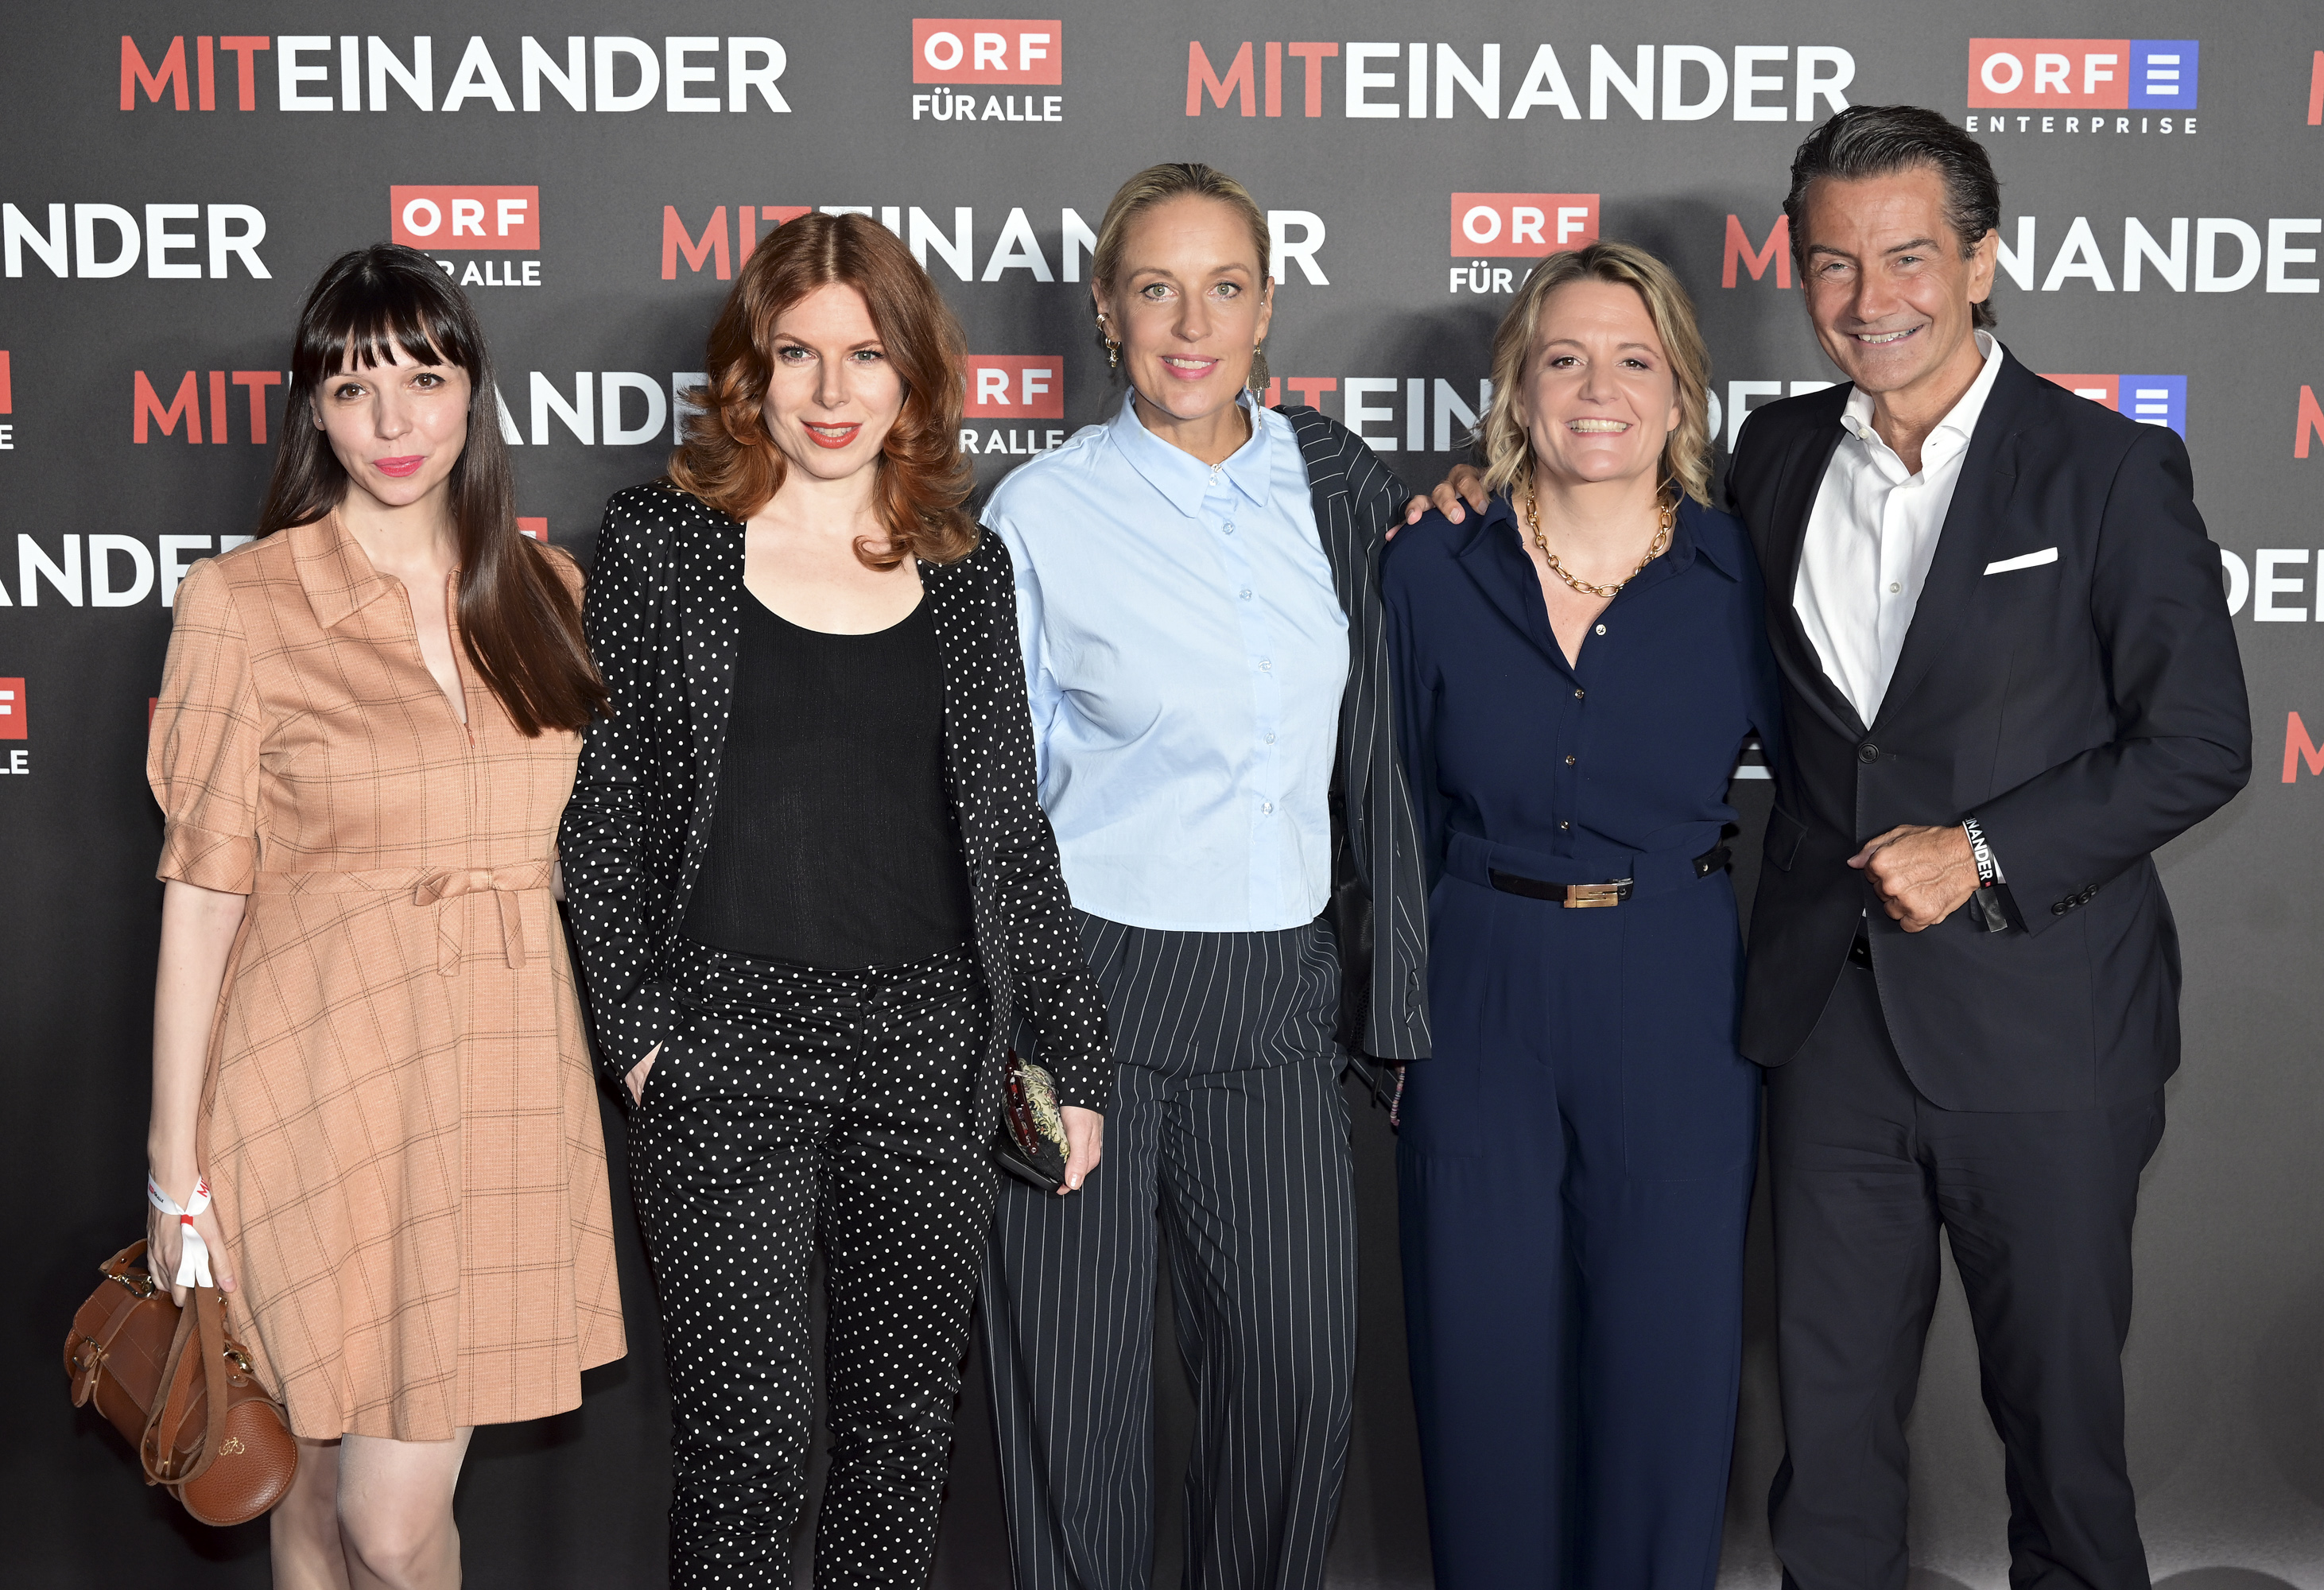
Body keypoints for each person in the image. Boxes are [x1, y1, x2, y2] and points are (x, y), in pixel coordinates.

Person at [1420, 107, 2252, 1590]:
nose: (1872, 299)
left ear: (1981, 263)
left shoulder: (2109, 469)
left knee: (2063, 1435)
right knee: (1834, 1439)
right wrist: (1478, 488)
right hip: (1826, 1032)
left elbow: (2199, 742)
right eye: (1833, 265)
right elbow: (1601, 517)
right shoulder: (1780, 457)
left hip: (2045, 1027)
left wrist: (1982, 849)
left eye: (1909, 257)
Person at [555, 211, 1111, 1590]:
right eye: (796, 354)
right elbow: (600, 811)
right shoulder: (663, 546)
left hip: (929, 1044)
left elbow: (1009, 834)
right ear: (751, 371)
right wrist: (638, 1034)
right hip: (722, 1048)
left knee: (898, 1440)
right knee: (744, 1448)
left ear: (912, 374)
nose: (830, 391)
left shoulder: (964, 569)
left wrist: (1070, 1057)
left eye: (865, 355)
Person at [976, 161, 1431, 1590]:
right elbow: (993, 802)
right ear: (1106, 311)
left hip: (1281, 985)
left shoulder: (1340, 483)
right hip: (1085, 986)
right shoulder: (1039, 511)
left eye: (1223, 288)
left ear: (1266, 307)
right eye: (1156, 290)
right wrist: (1027, 1035)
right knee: (1075, 1403)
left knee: (1293, 1388)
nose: (1192, 324)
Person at [144, 243, 623, 1590]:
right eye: (355, 390)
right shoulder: (242, 605)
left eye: (424, 378)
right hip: (308, 1084)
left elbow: (589, 853)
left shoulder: (550, 593)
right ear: (316, 408)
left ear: (473, 390)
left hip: (498, 1079)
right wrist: (173, 1169)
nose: (394, 421)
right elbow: (203, 896)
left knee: (392, 1526)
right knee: (305, 1497)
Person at [1383, 240, 1781, 1589]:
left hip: (1675, 988)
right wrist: (1390, 1006)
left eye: (1633, 360)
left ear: (1679, 395)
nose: (1598, 389)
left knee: (1668, 1369)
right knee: (1481, 1363)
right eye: (1564, 359)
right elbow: (1385, 806)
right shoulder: (1430, 568)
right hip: (1476, 986)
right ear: (1517, 390)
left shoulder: (1746, 577)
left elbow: (1831, 796)